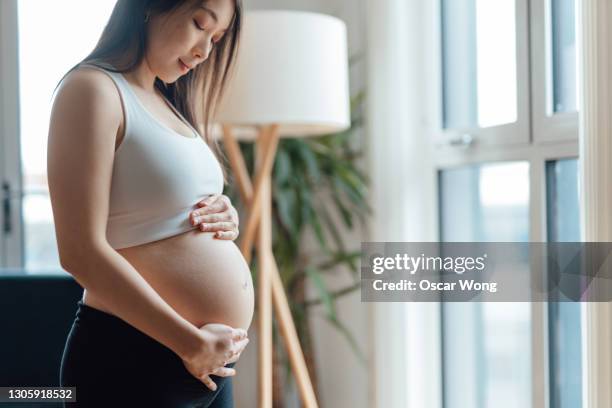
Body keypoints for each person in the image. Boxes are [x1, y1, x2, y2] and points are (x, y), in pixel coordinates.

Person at [46, 0, 254, 406]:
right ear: (150, 7)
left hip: (207, 364)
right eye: (199, 25)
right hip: (133, 358)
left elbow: (162, 208)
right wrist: (189, 341)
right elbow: (78, 252)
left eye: (216, 39)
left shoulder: (169, 101)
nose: (204, 52)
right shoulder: (92, 89)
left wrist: (223, 215)